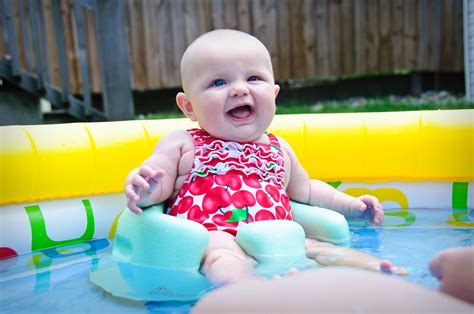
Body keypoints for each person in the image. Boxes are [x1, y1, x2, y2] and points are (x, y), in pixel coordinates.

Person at [124, 29, 400, 285]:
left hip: (279, 236)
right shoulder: (184, 143)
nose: (239, 89)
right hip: (215, 235)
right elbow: (156, 180)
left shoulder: (279, 149)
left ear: (274, 94)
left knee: (317, 247)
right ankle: (252, 292)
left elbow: (307, 190)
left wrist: (351, 206)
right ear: (189, 106)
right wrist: (144, 189)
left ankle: (377, 273)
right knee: (221, 256)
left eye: (253, 78)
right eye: (218, 82)